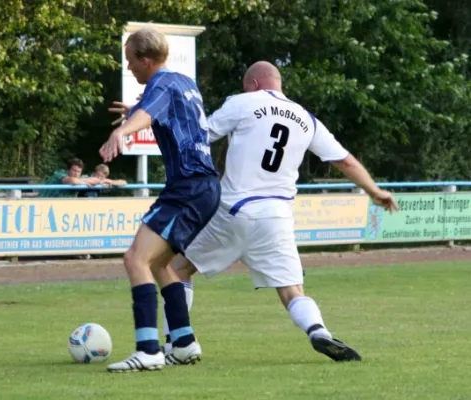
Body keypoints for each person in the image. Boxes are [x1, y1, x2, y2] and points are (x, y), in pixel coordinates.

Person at [159, 61, 399, 362]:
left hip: (234, 209)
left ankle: (176, 344)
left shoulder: (243, 102)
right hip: (277, 217)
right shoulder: (305, 117)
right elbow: (346, 161)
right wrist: (375, 191)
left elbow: (200, 135)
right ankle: (318, 330)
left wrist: (156, 119)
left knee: (176, 268)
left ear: (254, 85)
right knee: (292, 290)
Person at [99, 27, 220, 372]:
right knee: (159, 264)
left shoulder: (161, 85)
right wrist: (137, 108)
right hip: (205, 187)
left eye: (130, 62)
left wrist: (122, 130)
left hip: (187, 187)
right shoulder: (184, 82)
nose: (129, 69)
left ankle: (149, 349)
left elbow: (149, 115)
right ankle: (183, 342)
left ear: (145, 60)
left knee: (135, 259)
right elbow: (162, 111)